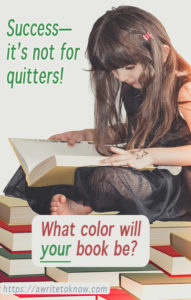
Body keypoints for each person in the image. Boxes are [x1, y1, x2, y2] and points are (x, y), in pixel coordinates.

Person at [4, 6, 191, 223]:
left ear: (163, 53)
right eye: (113, 70)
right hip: (147, 170)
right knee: (48, 171)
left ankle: (83, 203)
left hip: (177, 183)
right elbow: (137, 128)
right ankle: (80, 200)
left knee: (106, 179)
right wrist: (86, 134)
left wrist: (149, 155)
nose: (120, 77)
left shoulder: (183, 89)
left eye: (128, 67)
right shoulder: (137, 83)